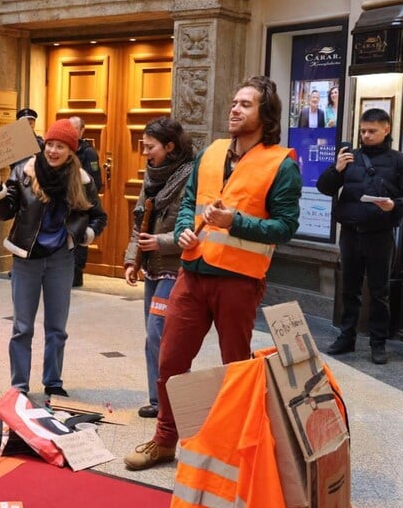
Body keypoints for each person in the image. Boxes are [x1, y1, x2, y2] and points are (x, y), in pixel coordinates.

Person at [123, 76, 302, 470]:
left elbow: (286, 227)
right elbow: (191, 202)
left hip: (239, 280)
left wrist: (235, 222)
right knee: (170, 360)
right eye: (235, 102)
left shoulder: (281, 164)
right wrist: (186, 226)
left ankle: (240, 446)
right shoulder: (211, 152)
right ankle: (165, 439)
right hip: (192, 273)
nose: (235, 109)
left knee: (234, 366)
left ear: (265, 114)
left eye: (246, 104)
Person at [0, 118, 108, 397]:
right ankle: (19, 386)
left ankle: (53, 381)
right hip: (26, 259)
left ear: (71, 151)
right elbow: (6, 211)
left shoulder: (81, 179)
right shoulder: (24, 171)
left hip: (60, 259)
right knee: (22, 327)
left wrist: (83, 235)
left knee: (56, 327)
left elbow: (99, 216)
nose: (53, 151)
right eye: (50, 144)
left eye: (60, 146)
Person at [316, 108, 403, 365]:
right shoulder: (350, 158)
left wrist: (394, 205)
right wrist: (336, 169)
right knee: (349, 290)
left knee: (379, 292)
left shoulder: (400, 162)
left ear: (386, 129)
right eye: (363, 130)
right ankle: (346, 336)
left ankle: (378, 342)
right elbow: (324, 187)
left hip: (380, 235)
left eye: (372, 131)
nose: (366, 135)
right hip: (351, 234)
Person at [122, 117, 195, 418]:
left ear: (170, 146)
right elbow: (140, 221)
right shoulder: (151, 176)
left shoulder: (191, 176)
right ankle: (158, 399)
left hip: (175, 267)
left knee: (158, 332)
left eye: (150, 147)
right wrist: (131, 259)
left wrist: (161, 242)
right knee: (153, 335)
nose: (145, 152)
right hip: (152, 266)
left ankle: (169, 398)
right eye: (144, 145)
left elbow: (193, 227)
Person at [70, 116, 103, 287]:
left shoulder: (88, 152)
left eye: (74, 128)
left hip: (81, 206)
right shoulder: (64, 149)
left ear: (82, 130)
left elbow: (96, 182)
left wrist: (82, 199)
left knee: (79, 241)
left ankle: (76, 276)